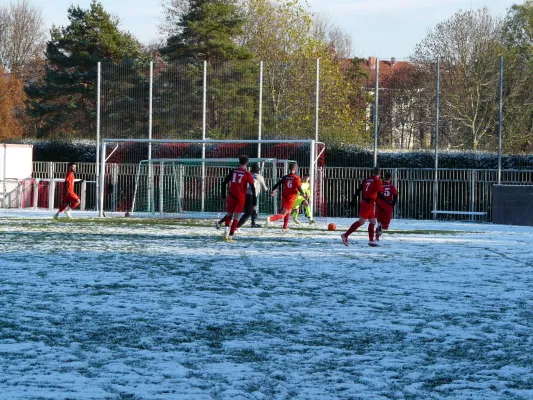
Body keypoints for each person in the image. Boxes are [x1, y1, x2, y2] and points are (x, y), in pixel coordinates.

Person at [340, 166, 383, 247]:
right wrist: (383, 204)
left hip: (366, 202)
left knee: (373, 221)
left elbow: (358, 190)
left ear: (372, 172)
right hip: (368, 203)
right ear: (379, 174)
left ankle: (371, 241)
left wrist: (353, 200)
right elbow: (380, 193)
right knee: (362, 221)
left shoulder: (366, 180)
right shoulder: (377, 181)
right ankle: (345, 235)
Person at [220, 155, 256, 242]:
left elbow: (223, 183)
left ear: (239, 162)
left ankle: (226, 230)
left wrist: (223, 196)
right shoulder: (247, 174)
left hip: (231, 196)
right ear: (246, 163)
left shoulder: (233, 171)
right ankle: (230, 236)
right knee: (236, 217)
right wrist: (254, 200)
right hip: (240, 198)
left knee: (229, 215)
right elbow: (252, 187)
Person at [266, 163, 307, 231]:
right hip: (290, 198)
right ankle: (270, 219)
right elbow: (299, 188)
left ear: (289, 169)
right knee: (283, 214)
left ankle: (284, 228)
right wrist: (303, 194)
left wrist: (272, 190)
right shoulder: (297, 178)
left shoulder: (285, 177)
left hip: (284, 196)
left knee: (288, 211)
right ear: (295, 169)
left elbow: (277, 184)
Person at [236, 163, 269, 228]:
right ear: (258, 170)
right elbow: (265, 188)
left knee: (249, 209)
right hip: (252, 195)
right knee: (249, 212)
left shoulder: (248, 174)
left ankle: (253, 222)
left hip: (244, 194)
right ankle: (236, 226)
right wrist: (269, 190)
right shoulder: (259, 177)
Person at [375, 171, 398, 242]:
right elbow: (395, 196)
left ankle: (377, 237)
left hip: (379, 205)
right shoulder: (391, 187)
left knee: (379, 221)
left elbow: (377, 194)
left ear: (383, 178)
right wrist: (392, 204)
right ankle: (381, 227)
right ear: (390, 178)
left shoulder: (380, 185)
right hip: (387, 206)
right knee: (385, 226)